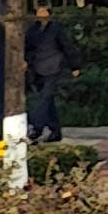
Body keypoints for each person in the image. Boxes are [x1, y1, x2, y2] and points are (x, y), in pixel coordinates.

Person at [25, 10, 75, 143]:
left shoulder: (56, 29)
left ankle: (37, 127)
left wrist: (75, 66)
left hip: (53, 67)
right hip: (38, 68)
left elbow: (67, 46)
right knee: (48, 100)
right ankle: (55, 130)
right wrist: (27, 62)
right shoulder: (32, 30)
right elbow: (28, 48)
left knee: (44, 97)